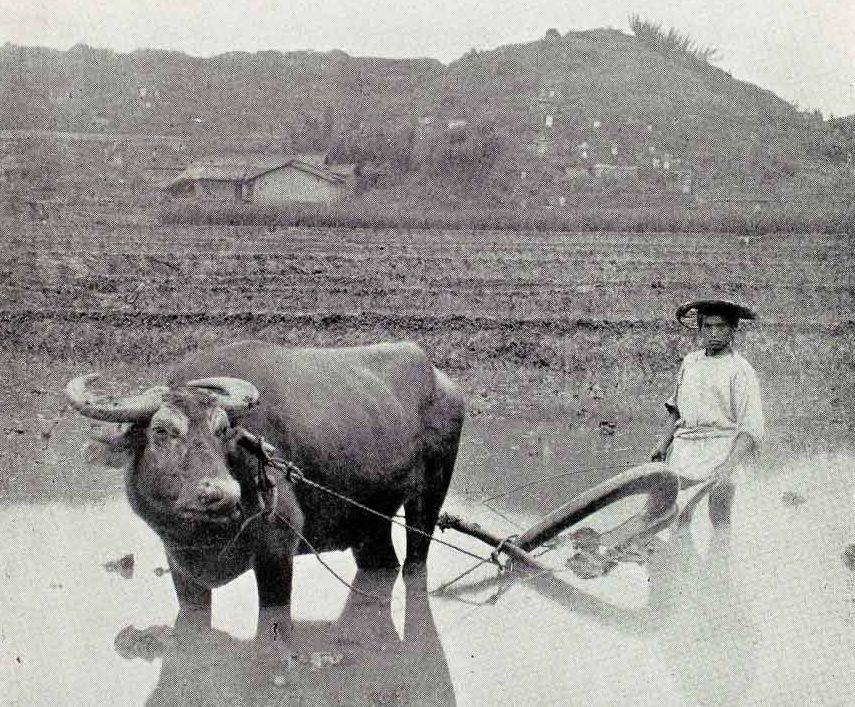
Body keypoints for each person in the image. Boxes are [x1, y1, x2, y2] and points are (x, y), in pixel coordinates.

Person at [651, 299, 764, 530]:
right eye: (708, 326)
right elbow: (677, 409)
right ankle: (681, 562)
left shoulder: (740, 370)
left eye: (721, 327)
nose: (713, 333)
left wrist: (729, 466)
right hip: (685, 449)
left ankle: (720, 561)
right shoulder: (690, 362)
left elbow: (750, 428)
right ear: (700, 329)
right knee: (676, 516)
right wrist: (662, 445)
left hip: (722, 449)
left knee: (719, 518)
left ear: (732, 330)